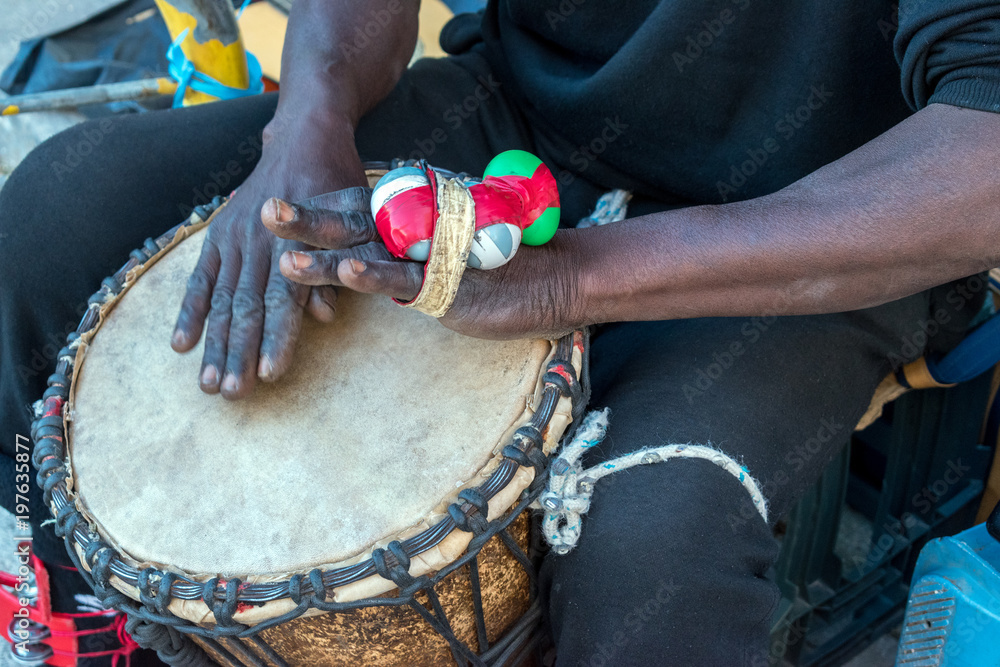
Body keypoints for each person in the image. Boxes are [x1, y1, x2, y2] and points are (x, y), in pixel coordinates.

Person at [2, 0, 999, 664]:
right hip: (519, 119)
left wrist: (571, 279)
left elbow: (981, 162)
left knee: (650, 543)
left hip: (816, 224)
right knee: (55, 210)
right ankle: (68, 606)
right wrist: (308, 123)